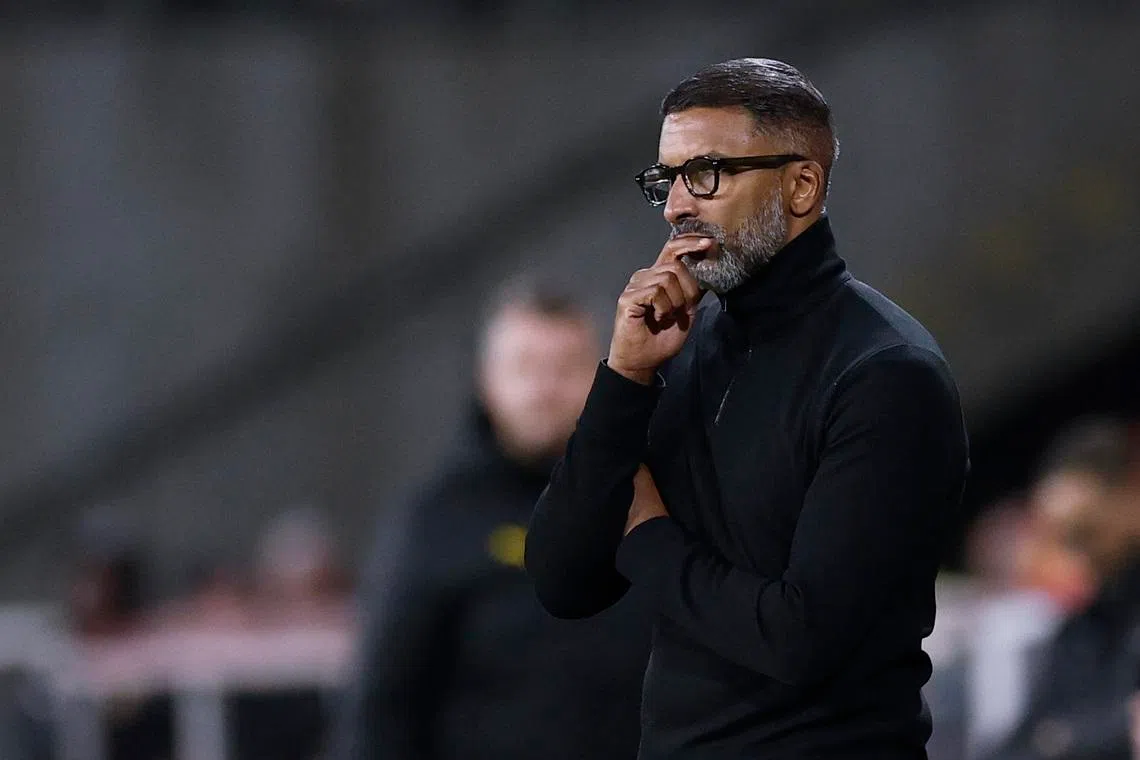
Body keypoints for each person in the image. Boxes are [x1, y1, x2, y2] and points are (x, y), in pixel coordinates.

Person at [525, 58, 969, 759]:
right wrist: (622, 379)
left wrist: (646, 535)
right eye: (666, 181)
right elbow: (562, 580)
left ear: (800, 185)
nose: (676, 206)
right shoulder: (683, 345)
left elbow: (799, 640)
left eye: (706, 173)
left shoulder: (885, 375)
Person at [332, 278, 652, 760]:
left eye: (565, 368)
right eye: (524, 367)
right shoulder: (435, 522)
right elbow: (381, 706)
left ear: (602, 375)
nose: (544, 389)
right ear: (487, 378)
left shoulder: (648, 500)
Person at [982, 419, 1140, 760]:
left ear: (1129, 498)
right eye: (1062, 539)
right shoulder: (1082, 628)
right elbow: (1014, 744)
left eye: (1086, 532)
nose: (1075, 555)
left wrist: (1059, 739)